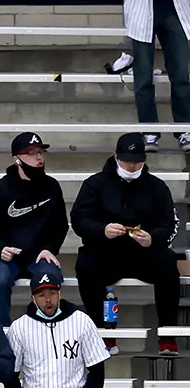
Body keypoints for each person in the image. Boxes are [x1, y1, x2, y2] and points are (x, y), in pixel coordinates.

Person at [72, 132, 181, 348]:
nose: (132, 167)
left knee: (168, 262)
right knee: (85, 265)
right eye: (127, 161)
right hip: (106, 252)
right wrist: (102, 230)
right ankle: (103, 331)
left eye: (137, 162)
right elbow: (79, 220)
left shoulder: (157, 187)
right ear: (115, 157)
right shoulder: (95, 184)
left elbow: (167, 222)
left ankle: (167, 333)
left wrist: (152, 238)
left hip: (144, 254)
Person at [108, 0, 190, 146]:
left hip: (175, 6)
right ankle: (149, 130)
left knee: (181, 74)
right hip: (143, 9)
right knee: (143, 78)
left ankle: (184, 128)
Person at [0, 133, 68, 325]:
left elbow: (61, 225)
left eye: (40, 152)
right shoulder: (2, 189)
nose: (39, 158)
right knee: (0, 280)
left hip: (38, 254)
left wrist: (50, 248)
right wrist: (0, 248)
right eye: (31, 153)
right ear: (16, 159)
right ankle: (2, 330)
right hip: (7, 255)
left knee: (52, 277)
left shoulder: (52, 186)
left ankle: (45, 326)